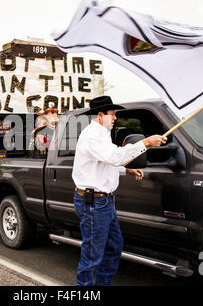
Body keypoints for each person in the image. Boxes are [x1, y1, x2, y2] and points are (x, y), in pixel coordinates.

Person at [72, 95, 167, 286]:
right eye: (112, 114)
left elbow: (107, 161)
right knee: (92, 257)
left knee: (114, 247)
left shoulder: (102, 134)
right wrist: (146, 143)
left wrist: (127, 169)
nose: (115, 118)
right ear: (101, 115)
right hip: (95, 204)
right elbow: (114, 156)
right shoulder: (92, 135)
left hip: (103, 202)